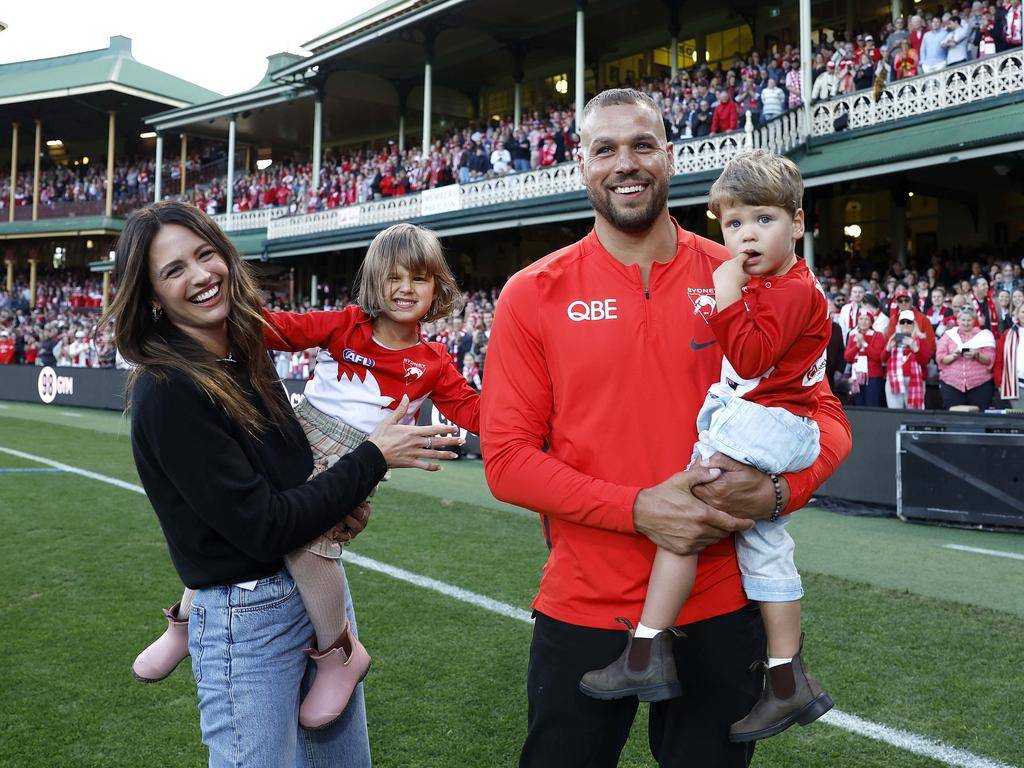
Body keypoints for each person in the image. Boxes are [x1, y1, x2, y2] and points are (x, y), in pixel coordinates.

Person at [481, 88, 850, 768]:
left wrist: (775, 497)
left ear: (671, 157)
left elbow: (825, 418)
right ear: (580, 165)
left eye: (643, 145)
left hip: (721, 601)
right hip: (586, 601)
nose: (627, 163)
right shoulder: (534, 292)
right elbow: (505, 459)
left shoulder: (747, 273)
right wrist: (637, 509)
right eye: (606, 149)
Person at [108, 201, 461, 766]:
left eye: (205, 254)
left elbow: (290, 471)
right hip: (244, 616)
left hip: (316, 599)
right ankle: (189, 620)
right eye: (173, 270)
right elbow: (264, 526)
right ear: (149, 293)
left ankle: (331, 652)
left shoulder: (244, 351)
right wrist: (369, 461)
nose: (200, 275)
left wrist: (344, 501)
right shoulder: (168, 389)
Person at [578, 149, 835, 744]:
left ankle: (646, 651)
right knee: (766, 545)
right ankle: (786, 675)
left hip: (770, 421)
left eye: (763, 220)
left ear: (797, 223)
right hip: (774, 420)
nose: (746, 236)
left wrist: (724, 290)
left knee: (686, 511)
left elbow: (748, 357)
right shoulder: (777, 281)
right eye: (734, 223)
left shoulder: (789, 288)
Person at [936, 305, 996, 409]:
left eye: (969, 320)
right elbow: (940, 358)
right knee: (955, 417)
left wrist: (976, 355)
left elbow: (990, 359)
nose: (966, 323)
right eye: (963, 320)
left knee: (978, 418)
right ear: (957, 320)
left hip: (980, 384)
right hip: (951, 384)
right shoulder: (948, 335)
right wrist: (954, 356)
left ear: (974, 320)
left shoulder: (984, 335)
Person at [883, 309, 930, 409]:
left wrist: (915, 347)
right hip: (894, 380)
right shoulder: (893, 338)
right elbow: (883, 359)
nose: (905, 325)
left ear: (914, 325)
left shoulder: (921, 340)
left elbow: (925, 361)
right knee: (895, 413)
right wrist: (888, 348)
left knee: (914, 415)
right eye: (902, 322)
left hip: (914, 380)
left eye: (909, 322)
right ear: (898, 324)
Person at [845, 310, 886, 406]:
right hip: (856, 377)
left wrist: (864, 344)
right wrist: (857, 346)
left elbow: (878, 356)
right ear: (857, 321)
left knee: (872, 406)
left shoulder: (878, 335)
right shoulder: (853, 336)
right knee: (859, 405)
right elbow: (847, 357)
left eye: (867, 319)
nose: (863, 321)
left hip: (873, 377)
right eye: (861, 318)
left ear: (871, 322)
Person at [994, 303, 1024, 408]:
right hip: (1015, 385)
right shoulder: (1007, 334)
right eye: (1023, 312)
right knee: (1019, 421)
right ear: (1017, 314)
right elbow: (999, 360)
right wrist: (1000, 382)